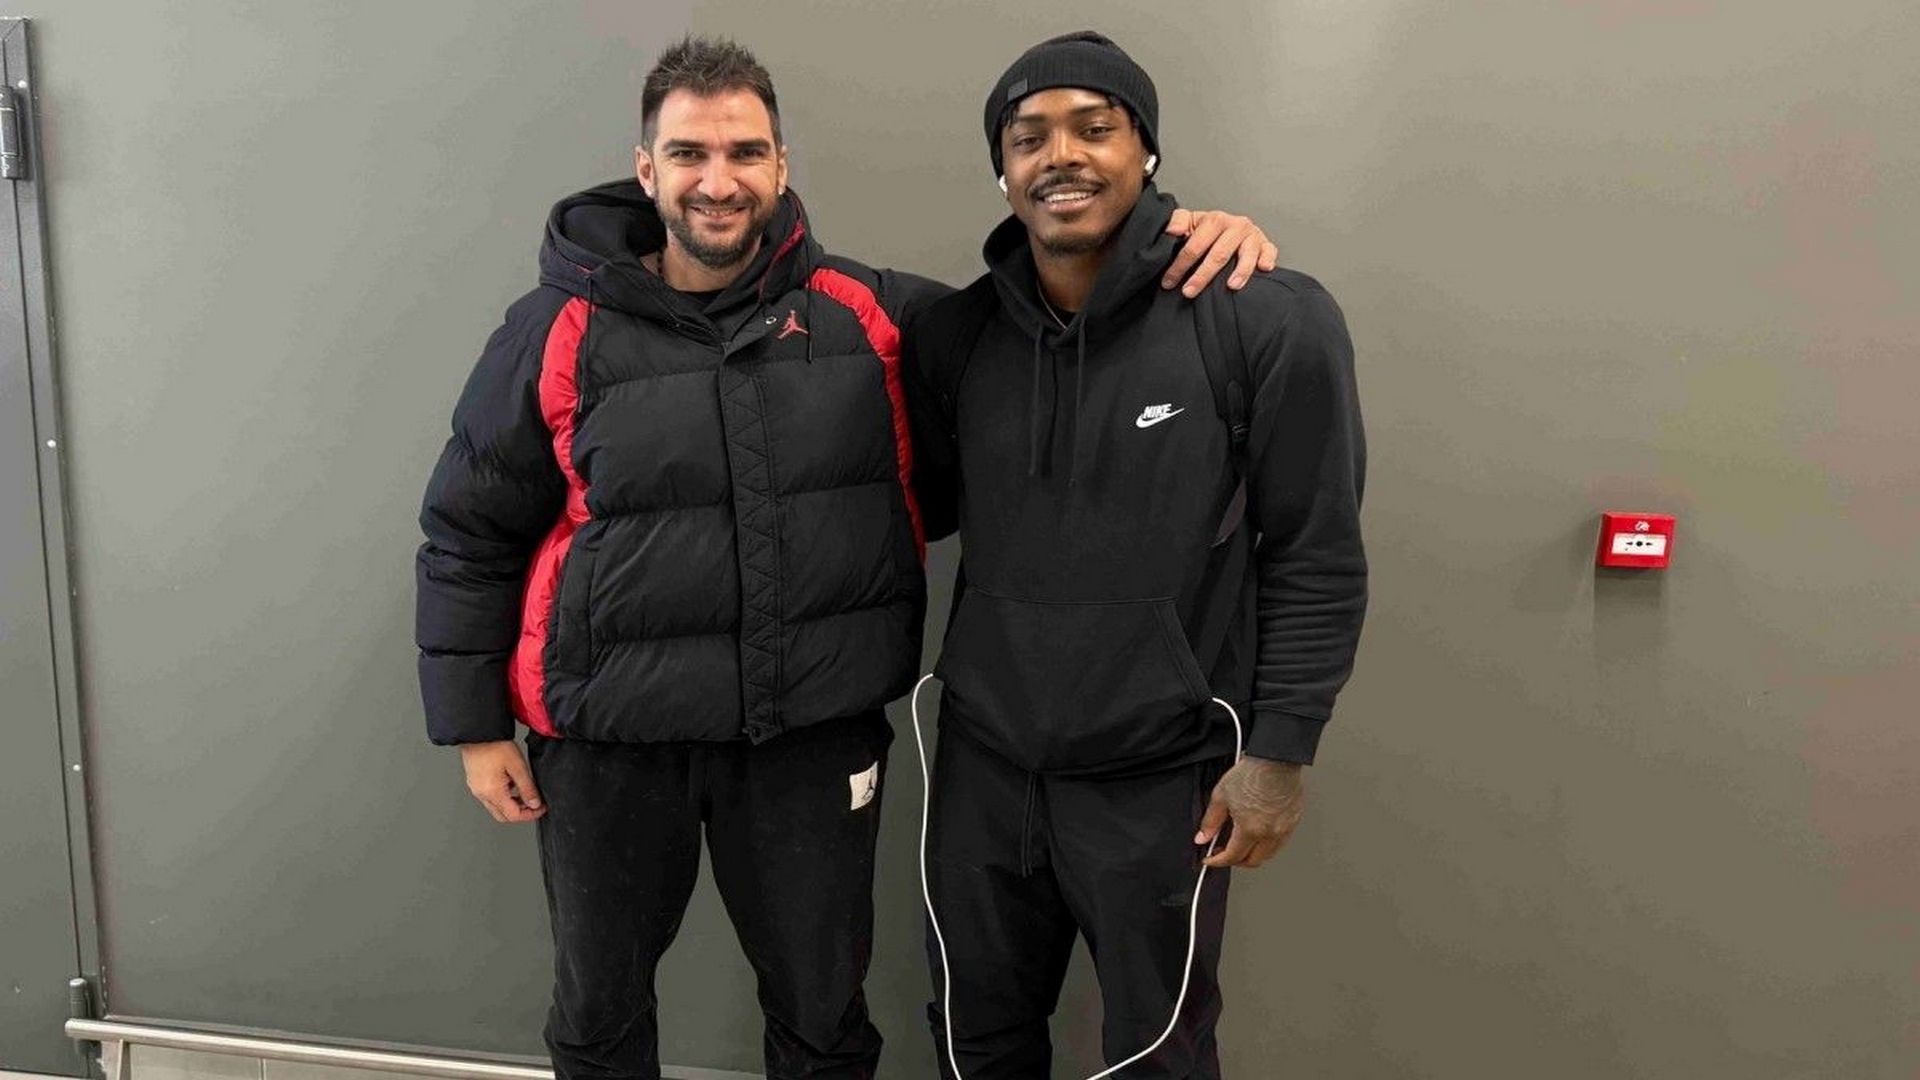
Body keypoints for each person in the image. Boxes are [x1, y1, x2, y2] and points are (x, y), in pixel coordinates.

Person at [413, 35, 1279, 1080]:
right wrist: (473, 725)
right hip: (607, 743)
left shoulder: (881, 316)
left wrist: (1176, 237)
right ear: (647, 170)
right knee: (597, 1020)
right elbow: (470, 529)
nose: (718, 181)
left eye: (746, 152)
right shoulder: (555, 328)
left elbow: (1059, 300)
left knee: (824, 1021)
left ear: (782, 164)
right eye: (689, 154)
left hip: (809, 741)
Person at [904, 31, 1369, 1079]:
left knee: (1158, 1057)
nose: (1061, 156)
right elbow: (922, 508)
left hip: (1163, 778)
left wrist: (1281, 754)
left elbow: (1317, 552)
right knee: (972, 1041)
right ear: (1002, 168)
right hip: (984, 769)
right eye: (1029, 137)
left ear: (1146, 150)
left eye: (1094, 128)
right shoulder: (955, 338)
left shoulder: (1262, 317)